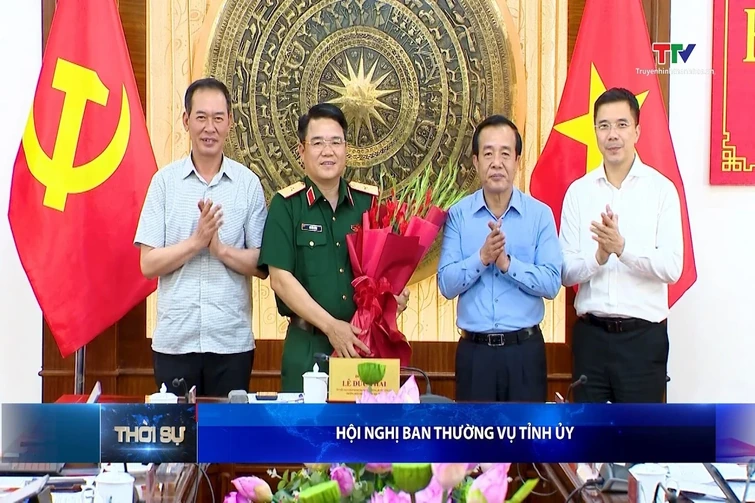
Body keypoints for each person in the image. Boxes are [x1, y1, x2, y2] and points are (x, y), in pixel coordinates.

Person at [257, 103, 410, 392]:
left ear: (346, 149)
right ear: (301, 151)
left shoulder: (369, 204)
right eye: (317, 143)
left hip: (364, 346)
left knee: (365, 422)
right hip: (308, 348)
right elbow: (280, 279)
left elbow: (386, 273)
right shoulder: (286, 206)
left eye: (335, 142)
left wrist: (393, 301)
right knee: (307, 423)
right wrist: (331, 326)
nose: (328, 151)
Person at [134, 77, 268, 397]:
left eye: (218, 118)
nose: (210, 127)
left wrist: (220, 250)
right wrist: (196, 242)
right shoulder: (164, 183)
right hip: (175, 343)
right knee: (177, 430)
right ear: (186, 120)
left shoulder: (247, 184)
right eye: (201, 117)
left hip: (231, 345)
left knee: (228, 430)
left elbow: (263, 264)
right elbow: (148, 264)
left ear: (230, 122)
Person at [559, 87, 683, 403]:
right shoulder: (578, 193)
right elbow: (565, 272)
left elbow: (672, 267)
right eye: (604, 125)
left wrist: (623, 249)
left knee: (640, 432)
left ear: (637, 131)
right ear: (595, 132)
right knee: (590, 432)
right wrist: (599, 257)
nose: (612, 134)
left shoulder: (661, 190)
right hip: (591, 339)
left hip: (643, 341)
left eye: (622, 125)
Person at [438, 115, 562, 402]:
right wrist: (482, 258)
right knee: (474, 431)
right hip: (475, 354)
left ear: (517, 160)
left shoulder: (539, 215)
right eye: (488, 154)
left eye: (505, 153)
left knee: (526, 432)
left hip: (524, 353)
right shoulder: (458, 215)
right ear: (475, 161)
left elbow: (552, 283)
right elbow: (446, 284)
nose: (497, 162)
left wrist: (508, 265)